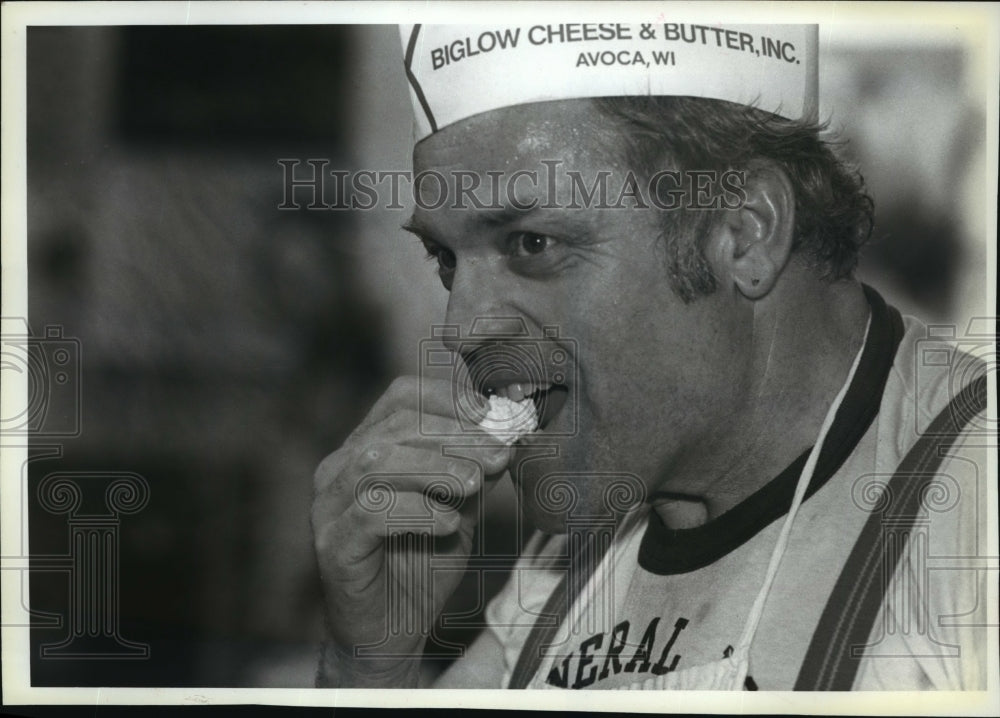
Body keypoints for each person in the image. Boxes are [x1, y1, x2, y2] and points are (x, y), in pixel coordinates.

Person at [311, 22, 990, 690]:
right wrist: (370, 662)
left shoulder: (973, 515)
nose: (461, 325)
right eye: (444, 259)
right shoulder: (576, 552)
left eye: (533, 244)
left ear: (744, 234)